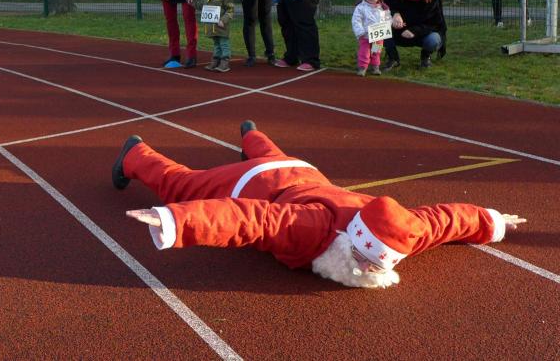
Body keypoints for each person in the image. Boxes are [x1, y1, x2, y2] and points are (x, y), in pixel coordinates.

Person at [113, 121, 527, 289]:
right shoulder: (312, 229)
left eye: (376, 266)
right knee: (183, 185)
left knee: (274, 155)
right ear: (351, 240)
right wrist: (175, 219)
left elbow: (443, 221)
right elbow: (247, 218)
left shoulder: (404, 233)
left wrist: (490, 221)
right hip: (257, 184)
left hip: (303, 173)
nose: (369, 271)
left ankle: (252, 135)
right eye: (365, 262)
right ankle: (135, 153)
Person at [382, 0, 447, 70]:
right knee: (379, 30)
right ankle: (392, 58)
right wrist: (394, 14)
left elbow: (436, 24)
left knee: (433, 39)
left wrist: (414, 31)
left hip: (422, 34)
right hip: (397, 32)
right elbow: (383, 7)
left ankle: (425, 56)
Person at [194, 0, 234, 73]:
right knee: (216, 44)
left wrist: (223, 20)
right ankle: (216, 60)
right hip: (211, 26)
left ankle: (224, 62)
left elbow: (230, 10)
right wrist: (192, 1)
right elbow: (200, 5)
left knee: (224, 44)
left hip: (222, 25)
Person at [351, 0, 390, 76]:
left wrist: (389, 25)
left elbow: (388, 19)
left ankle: (375, 66)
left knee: (376, 51)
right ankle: (362, 67)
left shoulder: (383, 8)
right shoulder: (360, 7)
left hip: (378, 36)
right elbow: (356, 20)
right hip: (365, 36)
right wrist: (360, 31)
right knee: (364, 52)